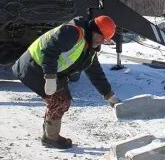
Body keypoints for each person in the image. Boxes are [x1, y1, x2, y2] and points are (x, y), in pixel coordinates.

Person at [12, 14, 121, 149]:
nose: (102, 41)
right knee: (60, 100)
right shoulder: (73, 32)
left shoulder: (89, 49)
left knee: (63, 99)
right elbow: (49, 51)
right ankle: (50, 138)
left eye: (105, 39)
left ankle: (49, 134)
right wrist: (50, 77)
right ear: (94, 30)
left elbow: (95, 72)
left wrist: (108, 94)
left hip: (47, 69)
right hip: (34, 66)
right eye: (101, 37)